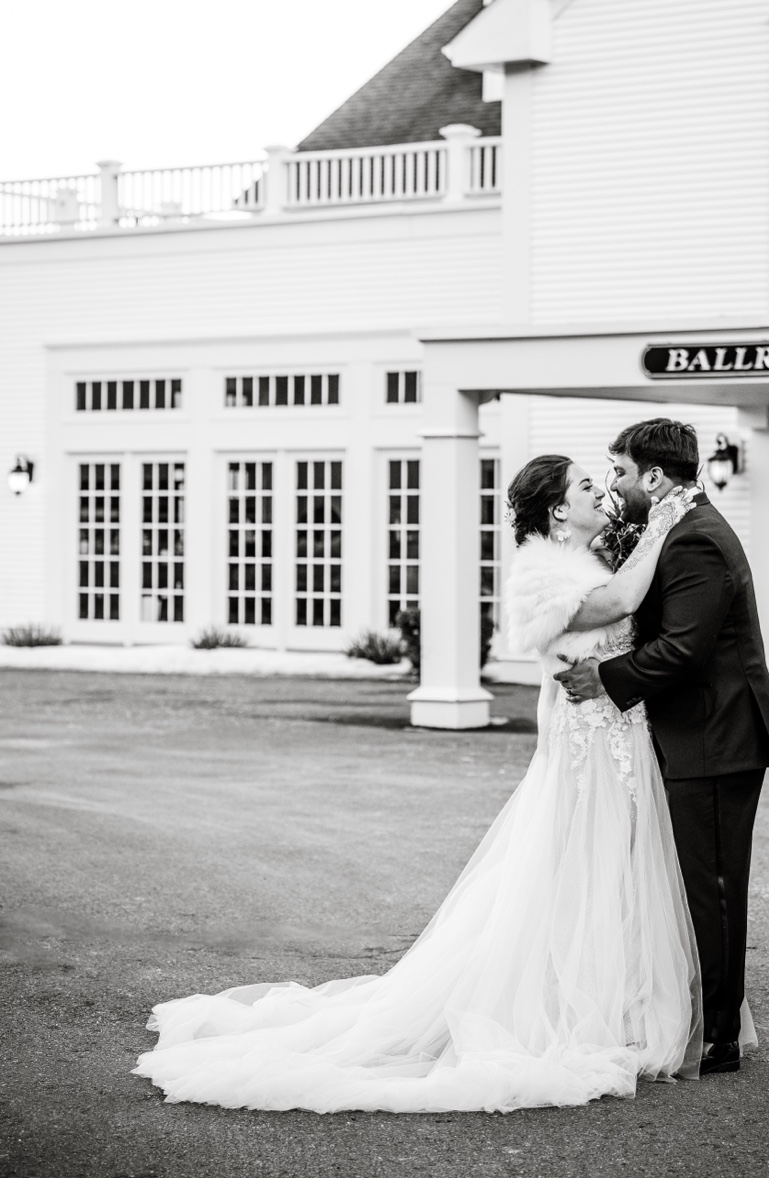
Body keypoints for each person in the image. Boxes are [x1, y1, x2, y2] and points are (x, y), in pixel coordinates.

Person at [134, 455, 702, 1111]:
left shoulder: (587, 562)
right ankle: (577, 1011)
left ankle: (622, 1001)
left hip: (616, 740)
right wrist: (664, 521)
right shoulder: (539, 573)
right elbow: (621, 603)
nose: (598, 490)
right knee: (580, 873)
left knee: (612, 872)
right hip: (586, 752)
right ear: (555, 510)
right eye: (584, 485)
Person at [555, 419, 769, 1077]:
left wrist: (603, 674)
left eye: (622, 472)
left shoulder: (696, 541)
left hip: (716, 733)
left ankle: (719, 1039)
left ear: (655, 477)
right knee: (699, 884)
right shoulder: (679, 529)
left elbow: (685, 648)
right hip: (704, 730)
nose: (614, 485)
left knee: (712, 886)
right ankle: (707, 1022)